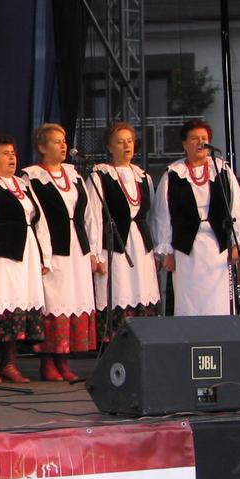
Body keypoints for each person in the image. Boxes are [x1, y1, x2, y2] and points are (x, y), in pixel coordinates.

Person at [0, 134, 51, 384]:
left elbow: (38, 221)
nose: (12, 158)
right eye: (5, 154)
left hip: (26, 253)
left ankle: (9, 363)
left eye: (13, 153)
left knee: (20, 305)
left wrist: (44, 257)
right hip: (0, 255)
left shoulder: (22, 185)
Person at [22, 123, 98, 382]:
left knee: (75, 299)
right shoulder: (32, 177)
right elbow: (34, 216)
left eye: (64, 140)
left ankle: (63, 361)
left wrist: (93, 251)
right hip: (52, 247)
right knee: (54, 302)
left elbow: (89, 215)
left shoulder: (74, 175)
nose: (64, 146)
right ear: (42, 147)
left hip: (77, 246)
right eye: (57, 141)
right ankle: (47, 362)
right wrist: (42, 253)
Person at [152, 119, 240, 316]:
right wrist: (167, 251)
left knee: (218, 302)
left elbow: (237, 207)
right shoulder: (173, 174)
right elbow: (162, 214)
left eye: (204, 138)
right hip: (186, 249)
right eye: (194, 138)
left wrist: (236, 243)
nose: (200, 142)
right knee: (188, 302)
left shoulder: (221, 170)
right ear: (184, 144)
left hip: (217, 247)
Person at [89, 122, 160, 341]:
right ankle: (115, 343)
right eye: (120, 142)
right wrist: (95, 254)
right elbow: (92, 217)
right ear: (109, 147)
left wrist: (156, 249)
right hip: (114, 243)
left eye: (129, 141)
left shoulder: (143, 177)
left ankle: (143, 341)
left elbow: (152, 215)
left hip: (141, 245)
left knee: (143, 290)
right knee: (119, 288)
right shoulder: (100, 175)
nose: (127, 146)